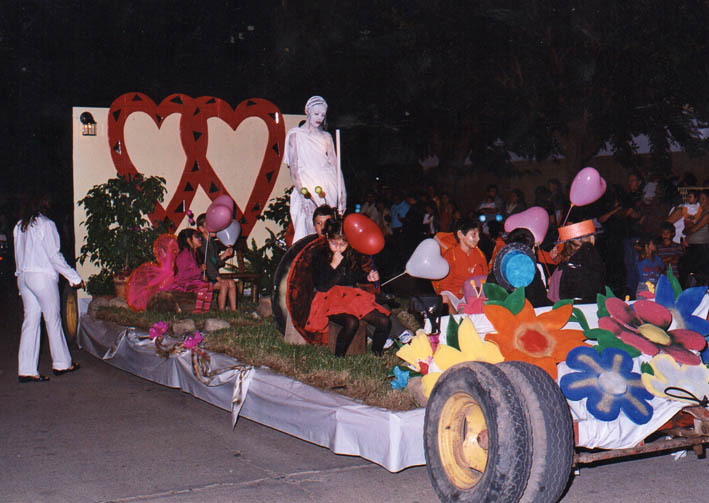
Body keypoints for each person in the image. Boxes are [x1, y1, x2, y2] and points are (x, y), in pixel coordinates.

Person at [14, 193, 83, 382]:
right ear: (43, 203)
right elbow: (54, 256)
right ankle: (62, 363)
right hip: (42, 277)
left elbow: (18, 257)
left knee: (30, 321)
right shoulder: (46, 224)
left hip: (24, 277)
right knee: (52, 319)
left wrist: (21, 281)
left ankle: (26, 369)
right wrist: (74, 277)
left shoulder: (20, 225)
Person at [305, 218, 391, 356]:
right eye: (334, 243)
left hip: (350, 297)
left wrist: (367, 277)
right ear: (327, 238)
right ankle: (339, 358)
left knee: (384, 321)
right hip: (328, 298)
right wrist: (333, 265)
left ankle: (377, 353)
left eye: (343, 244)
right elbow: (321, 286)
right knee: (352, 323)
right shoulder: (319, 255)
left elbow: (354, 277)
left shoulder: (351, 255)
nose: (338, 248)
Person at [283, 96, 346, 242]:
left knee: (330, 229)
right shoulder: (295, 135)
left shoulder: (326, 136)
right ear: (308, 112)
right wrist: (303, 193)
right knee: (310, 229)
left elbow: (336, 167)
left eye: (323, 115)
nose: (320, 118)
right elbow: (293, 169)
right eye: (316, 114)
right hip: (307, 186)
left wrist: (342, 194)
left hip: (328, 186)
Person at [432, 220, 489, 301]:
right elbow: (444, 286)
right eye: (474, 234)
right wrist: (461, 290)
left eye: (478, 235)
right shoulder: (450, 255)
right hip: (455, 295)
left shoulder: (480, 255)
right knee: (444, 298)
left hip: (475, 296)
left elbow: (485, 280)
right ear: (460, 234)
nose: (478, 239)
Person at [196, 214, 236, 311]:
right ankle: (221, 310)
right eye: (209, 225)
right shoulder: (201, 245)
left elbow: (215, 261)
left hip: (212, 275)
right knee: (224, 284)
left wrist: (225, 255)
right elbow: (208, 264)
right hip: (205, 277)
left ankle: (234, 310)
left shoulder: (213, 244)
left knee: (231, 283)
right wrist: (218, 278)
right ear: (201, 229)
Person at [173, 229, 213, 313]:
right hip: (184, 283)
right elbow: (182, 275)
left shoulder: (193, 253)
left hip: (192, 281)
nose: (200, 239)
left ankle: (205, 310)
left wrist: (201, 276)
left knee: (209, 285)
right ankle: (197, 310)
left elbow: (193, 272)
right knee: (204, 286)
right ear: (188, 240)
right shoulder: (184, 255)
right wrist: (199, 270)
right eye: (197, 237)